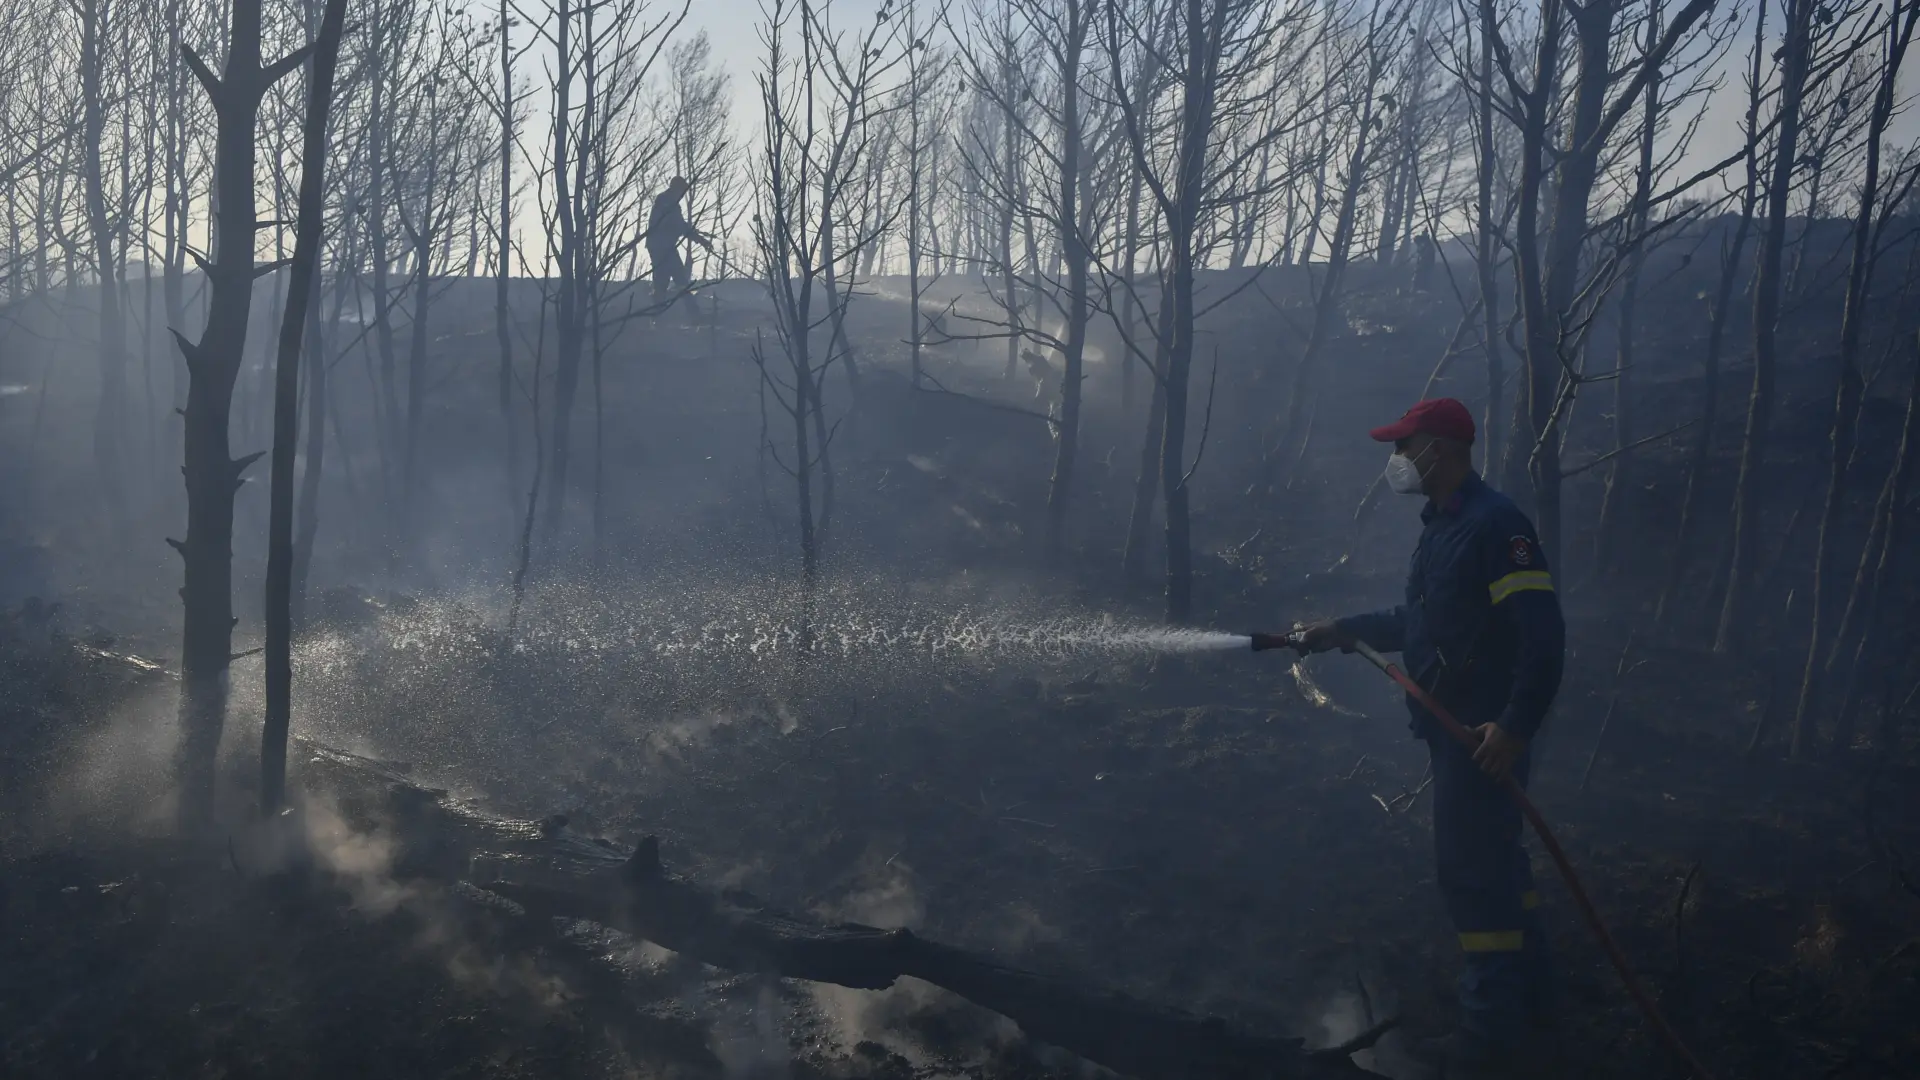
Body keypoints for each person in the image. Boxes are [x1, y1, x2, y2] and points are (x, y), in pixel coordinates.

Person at [1295, 397, 1565, 1076]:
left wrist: (1513, 725)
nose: (1394, 461)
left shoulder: (1494, 526)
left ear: (1436, 450)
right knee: (1500, 865)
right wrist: (1346, 628)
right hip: (1462, 736)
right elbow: (1421, 622)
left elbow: (1544, 634)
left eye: (1400, 446)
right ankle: (1535, 1002)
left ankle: (1488, 1036)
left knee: (1473, 878)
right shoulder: (1444, 527)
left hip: (1481, 738)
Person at [646, 176, 713, 305]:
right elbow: (679, 225)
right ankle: (694, 315)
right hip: (662, 247)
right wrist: (701, 240)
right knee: (679, 280)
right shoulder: (667, 202)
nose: (683, 194)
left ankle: (657, 315)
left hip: (662, 246)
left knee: (664, 281)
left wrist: (698, 237)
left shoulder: (668, 202)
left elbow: (680, 225)